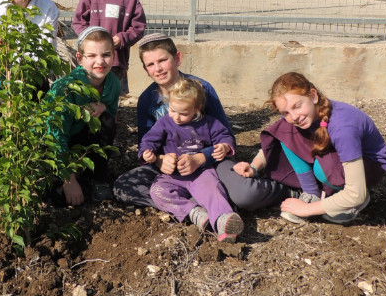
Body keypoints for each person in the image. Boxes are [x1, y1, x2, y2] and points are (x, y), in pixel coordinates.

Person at [112, 33, 285, 213]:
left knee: (245, 195)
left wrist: (201, 157)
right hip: (171, 170)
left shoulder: (202, 89)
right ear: (145, 69)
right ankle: (202, 204)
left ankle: (284, 191)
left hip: (210, 164)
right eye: (151, 64)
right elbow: (145, 145)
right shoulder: (147, 100)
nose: (158, 69)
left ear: (177, 58)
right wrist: (158, 161)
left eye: (163, 60)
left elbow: (226, 137)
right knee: (123, 187)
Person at [233, 72, 386, 225]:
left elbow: (355, 194)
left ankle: (342, 194)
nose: (294, 116)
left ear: (313, 96)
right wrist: (255, 166)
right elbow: (283, 137)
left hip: (369, 166)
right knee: (285, 129)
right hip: (334, 156)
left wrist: (307, 210)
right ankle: (311, 193)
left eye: (297, 106)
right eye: (286, 112)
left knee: (322, 170)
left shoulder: (343, 127)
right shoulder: (299, 117)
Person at [139, 78, 243, 242]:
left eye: (184, 113)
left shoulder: (208, 123)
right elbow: (149, 139)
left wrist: (224, 146)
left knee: (213, 190)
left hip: (201, 172)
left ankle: (224, 221)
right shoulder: (165, 122)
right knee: (157, 192)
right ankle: (194, 213)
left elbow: (225, 136)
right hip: (173, 175)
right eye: (172, 110)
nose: (177, 117)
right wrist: (147, 152)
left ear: (197, 108)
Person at [46, 27, 120, 205]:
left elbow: (111, 113)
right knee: (55, 197)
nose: (100, 62)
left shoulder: (113, 83)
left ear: (114, 57)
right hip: (57, 146)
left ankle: (96, 177)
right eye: (92, 56)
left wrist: (103, 106)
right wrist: (68, 179)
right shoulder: (65, 88)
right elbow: (55, 134)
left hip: (83, 140)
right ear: (79, 58)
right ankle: (71, 175)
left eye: (106, 55)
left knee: (107, 121)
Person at [72, 0, 146, 94]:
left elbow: (138, 27)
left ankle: (111, 118)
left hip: (117, 61)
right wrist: (90, 38)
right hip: (91, 60)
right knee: (88, 95)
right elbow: (78, 22)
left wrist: (122, 38)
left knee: (111, 98)